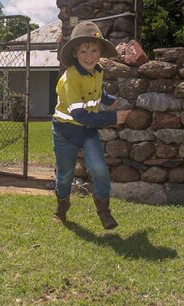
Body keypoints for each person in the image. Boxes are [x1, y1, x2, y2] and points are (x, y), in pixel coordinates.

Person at [52, 21, 130, 229]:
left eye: (94, 50)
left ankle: (104, 213)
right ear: (75, 53)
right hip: (65, 131)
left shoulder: (98, 71)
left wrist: (107, 99)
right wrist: (113, 118)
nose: (90, 56)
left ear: (101, 51)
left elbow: (95, 91)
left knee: (99, 170)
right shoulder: (70, 79)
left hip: (87, 131)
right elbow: (80, 114)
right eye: (84, 51)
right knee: (65, 175)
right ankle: (61, 210)